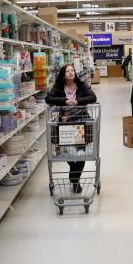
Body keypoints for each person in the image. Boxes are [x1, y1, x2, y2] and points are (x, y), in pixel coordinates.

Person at [46, 64, 97, 193]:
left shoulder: (81, 85)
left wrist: (77, 101)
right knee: (66, 152)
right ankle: (75, 177)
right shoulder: (58, 87)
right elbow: (48, 99)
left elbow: (93, 97)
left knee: (82, 153)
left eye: (72, 70)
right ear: (63, 74)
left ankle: (74, 180)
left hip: (80, 122)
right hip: (64, 124)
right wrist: (64, 101)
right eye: (67, 71)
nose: (70, 73)